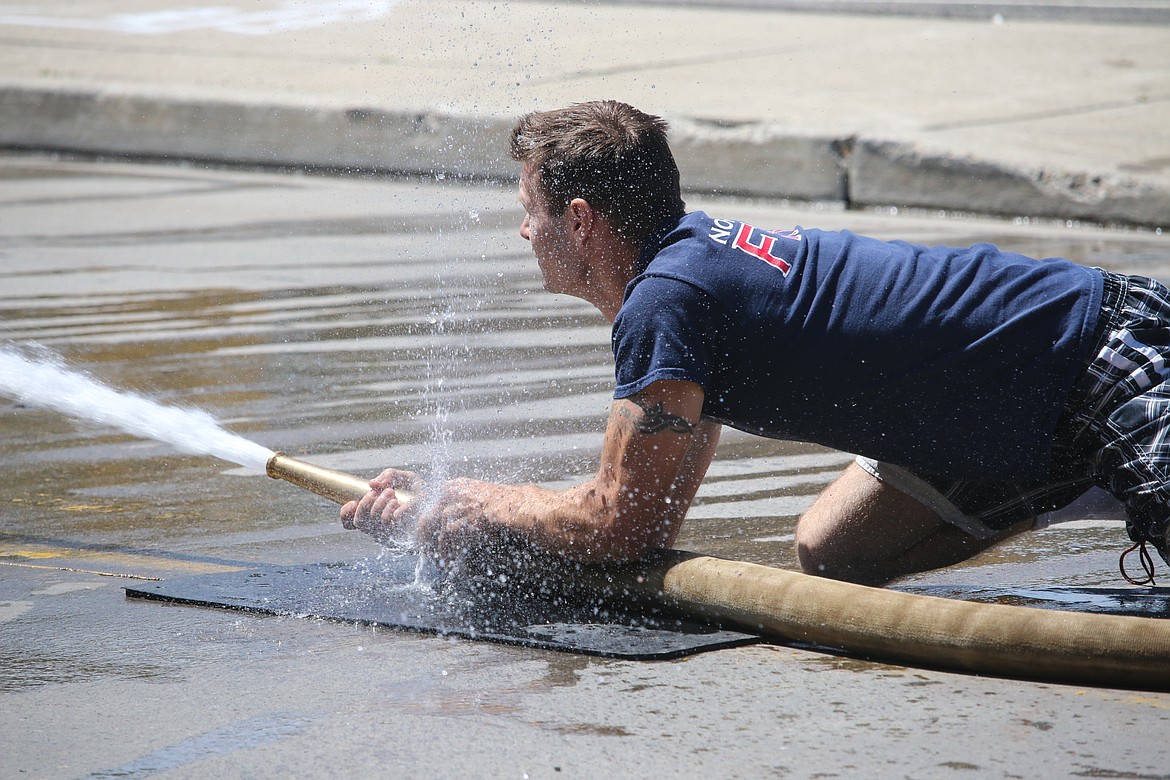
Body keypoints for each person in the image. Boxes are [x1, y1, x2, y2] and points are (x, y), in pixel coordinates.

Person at [341, 100, 1170, 587]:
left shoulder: (667, 302)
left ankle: (1098, 462)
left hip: (1100, 352)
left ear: (581, 221)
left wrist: (466, 503)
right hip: (1000, 399)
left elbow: (616, 527)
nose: (524, 230)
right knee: (835, 551)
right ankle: (1067, 474)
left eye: (531, 209)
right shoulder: (681, 281)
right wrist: (469, 515)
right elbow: (652, 516)